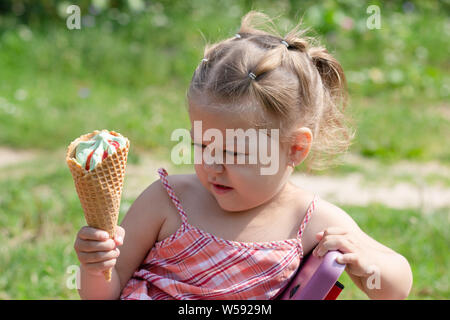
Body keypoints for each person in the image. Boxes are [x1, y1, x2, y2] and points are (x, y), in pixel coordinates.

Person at [74, 10, 413, 300]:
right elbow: (108, 291)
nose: (212, 165)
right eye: (202, 146)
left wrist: (368, 263)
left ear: (295, 148)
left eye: (234, 153)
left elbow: (398, 285)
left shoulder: (310, 221)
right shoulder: (167, 201)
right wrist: (95, 268)